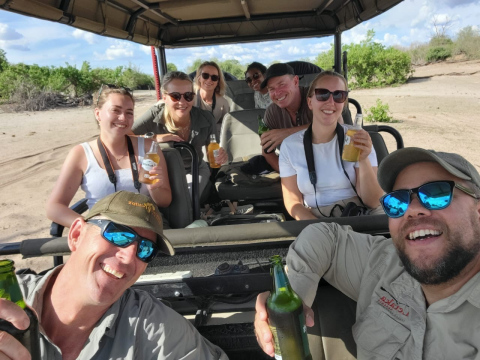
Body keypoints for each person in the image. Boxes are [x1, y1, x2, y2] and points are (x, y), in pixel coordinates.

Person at [255, 147, 480, 359]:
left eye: (436, 194)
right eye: (397, 202)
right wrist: (292, 302)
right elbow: (323, 238)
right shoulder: (387, 262)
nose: (412, 210)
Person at [0, 191, 228, 359]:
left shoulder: (153, 329)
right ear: (77, 235)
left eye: (145, 249)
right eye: (118, 235)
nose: (130, 257)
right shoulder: (7, 301)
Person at [46, 85, 171, 229]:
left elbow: (165, 202)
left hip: (145, 226)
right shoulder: (81, 154)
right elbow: (54, 207)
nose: (123, 117)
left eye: (129, 113)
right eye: (115, 110)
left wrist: (155, 188)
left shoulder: (150, 148)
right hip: (102, 230)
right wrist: (88, 227)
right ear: (98, 114)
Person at [280, 71, 384, 219]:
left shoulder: (357, 138)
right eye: (322, 94)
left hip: (358, 212)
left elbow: (373, 202)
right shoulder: (290, 146)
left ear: (344, 103)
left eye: (338, 95)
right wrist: (316, 227)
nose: (330, 102)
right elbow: (293, 202)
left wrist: (363, 159)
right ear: (310, 102)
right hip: (315, 215)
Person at [132, 71, 227, 203]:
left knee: (185, 201)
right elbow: (126, 135)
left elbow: (214, 149)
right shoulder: (154, 115)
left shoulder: (205, 118)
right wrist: (155, 137)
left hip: (194, 168)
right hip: (163, 170)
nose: (182, 102)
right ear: (164, 97)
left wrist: (221, 156)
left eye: (188, 96)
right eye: (175, 96)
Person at [259, 63, 314, 172]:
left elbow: (335, 125)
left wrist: (287, 133)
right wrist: (287, 175)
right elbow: (267, 152)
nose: (277, 93)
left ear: (295, 81)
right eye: (271, 89)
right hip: (294, 168)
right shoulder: (272, 112)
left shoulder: (316, 98)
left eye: (282, 85)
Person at [194, 61, 230, 137]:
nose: (209, 80)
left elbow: (227, 126)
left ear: (218, 81)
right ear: (199, 78)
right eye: (205, 75)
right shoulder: (189, 98)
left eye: (214, 77)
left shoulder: (223, 103)